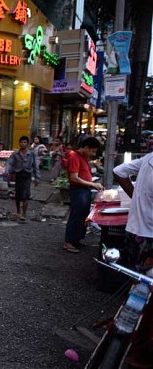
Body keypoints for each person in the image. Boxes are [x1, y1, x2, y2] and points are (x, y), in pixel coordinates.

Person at [113, 151, 153, 366]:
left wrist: (135, 194)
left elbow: (119, 171)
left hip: (133, 231)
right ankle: (138, 348)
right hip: (149, 236)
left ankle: (129, 328)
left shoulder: (148, 158)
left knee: (139, 285)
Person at [62, 137, 104, 253]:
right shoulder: (74, 156)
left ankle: (76, 240)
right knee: (76, 215)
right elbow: (74, 178)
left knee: (82, 216)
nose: (93, 154)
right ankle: (69, 242)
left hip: (84, 190)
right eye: (92, 151)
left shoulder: (83, 157)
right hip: (78, 190)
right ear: (86, 147)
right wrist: (92, 184)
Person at [6, 136, 40, 221]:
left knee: (26, 195)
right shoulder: (15, 154)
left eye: (25, 142)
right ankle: (18, 212)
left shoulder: (32, 154)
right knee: (18, 195)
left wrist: (37, 178)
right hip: (18, 175)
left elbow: (36, 166)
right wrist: (7, 171)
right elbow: (9, 163)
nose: (23, 144)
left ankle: (24, 214)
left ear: (27, 143)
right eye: (21, 142)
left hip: (27, 175)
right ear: (19, 143)